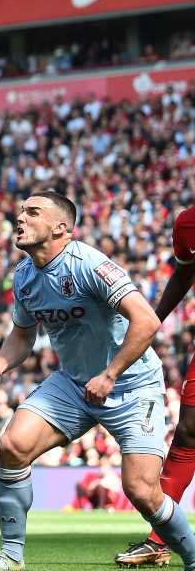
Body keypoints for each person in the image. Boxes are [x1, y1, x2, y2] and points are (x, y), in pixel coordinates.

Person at [0, 191, 195, 571]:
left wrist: (111, 374)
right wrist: (1, 364)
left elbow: (147, 321)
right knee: (11, 445)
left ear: (60, 228)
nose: (20, 218)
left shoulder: (89, 264)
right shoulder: (23, 277)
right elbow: (23, 336)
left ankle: (192, 556)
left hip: (132, 384)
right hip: (74, 383)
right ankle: (11, 556)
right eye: (21, 210)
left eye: (32, 212)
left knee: (141, 490)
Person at [115, 206, 195, 567]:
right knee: (189, 434)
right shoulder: (188, 222)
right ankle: (159, 539)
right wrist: (153, 322)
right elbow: (185, 272)